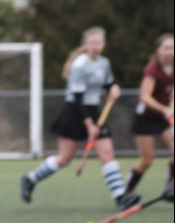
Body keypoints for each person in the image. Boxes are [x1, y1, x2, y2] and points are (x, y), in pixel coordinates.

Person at [19, 27, 142, 211]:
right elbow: (77, 99)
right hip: (75, 113)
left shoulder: (104, 63)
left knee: (107, 153)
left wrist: (113, 89)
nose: (95, 47)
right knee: (64, 158)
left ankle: (120, 197)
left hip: (94, 110)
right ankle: (30, 179)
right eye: (92, 43)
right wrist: (89, 124)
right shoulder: (79, 65)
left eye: (99, 43)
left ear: (104, 44)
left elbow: (108, 83)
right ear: (85, 45)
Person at [124, 34, 174, 196]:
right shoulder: (152, 69)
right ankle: (125, 192)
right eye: (166, 48)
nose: (170, 52)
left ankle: (170, 189)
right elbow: (144, 97)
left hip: (162, 118)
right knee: (147, 160)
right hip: (145, 119)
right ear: (158, 51)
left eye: (172, 48)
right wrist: (165, 109)